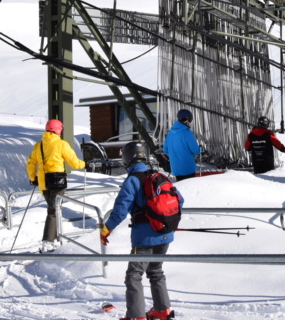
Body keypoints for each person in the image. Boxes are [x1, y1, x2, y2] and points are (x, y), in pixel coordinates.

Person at [101, 141, 181, 320]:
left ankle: (136, 316)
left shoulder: (132, 180)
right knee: (156, 271)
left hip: (145, 237)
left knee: (134, 276)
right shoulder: (159, 176)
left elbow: (120, 210)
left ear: (127, 158)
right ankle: (162, 310)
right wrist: (165, 220)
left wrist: (106, 229)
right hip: (165, 234)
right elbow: (179, 201)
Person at [26, 119, 86, 252]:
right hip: (57, 183)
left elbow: (30, 163)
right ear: (58, 130)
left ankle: (52, 240)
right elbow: (75, 163)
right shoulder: (61, 144)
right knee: (54, 211)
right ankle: (47, 242)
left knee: (53, 210)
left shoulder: (39, 146)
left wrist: (33, 178)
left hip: (44, 183)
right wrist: (85, 164)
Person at [161, 108, 202, 181]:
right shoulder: (187, 134)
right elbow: (195, 150)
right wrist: (200, 149)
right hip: (188, 168)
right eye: (190, 120)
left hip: (176, 169)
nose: (190, 122)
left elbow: (165, 150)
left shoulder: (169, 134)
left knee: (181, 188)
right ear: (185, 120)